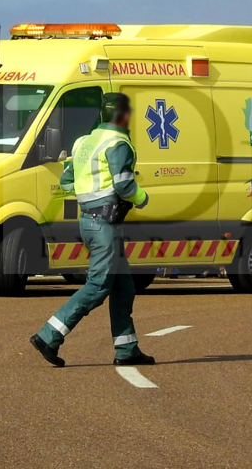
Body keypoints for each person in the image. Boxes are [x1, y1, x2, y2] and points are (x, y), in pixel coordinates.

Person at [30, 93, 153, 367]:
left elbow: (66, 181)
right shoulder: (119, 143)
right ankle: (49, 335)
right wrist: (142, 197)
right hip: (105, 225)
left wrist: (90, 195)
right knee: (98, 286)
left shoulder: (83, 142)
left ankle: (127, 349)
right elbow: (124, 186)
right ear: (123, 116)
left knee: (123, 288)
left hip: (88, 220)